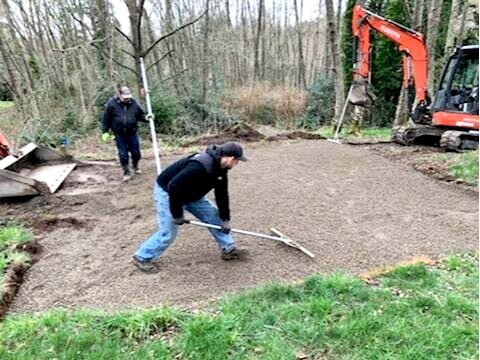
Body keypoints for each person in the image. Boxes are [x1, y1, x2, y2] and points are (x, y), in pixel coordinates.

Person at [133, 141, 248, 273]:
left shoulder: (222, 169)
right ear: (231, 158)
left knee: (214, 216)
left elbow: (222, 194)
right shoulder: (200, 165)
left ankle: (228, 248)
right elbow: (174, 186)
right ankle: (142, 256)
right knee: (168, 232)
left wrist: (225, 219)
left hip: (193, 194)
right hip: (169, 193)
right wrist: (177, 214)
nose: (236, 164)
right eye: (237, 161)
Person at [102, 86, 146, 182]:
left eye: (128, 96)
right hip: (119, 134)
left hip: (132, 133)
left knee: (136, 153)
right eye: (125, 97)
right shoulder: (111, 104)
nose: (127, 99)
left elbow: (140, 116)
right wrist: (105, 132)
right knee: (123, 154)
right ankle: (126, 172)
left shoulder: (134, 103)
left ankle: (135, 166)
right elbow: (106, 118)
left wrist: (147, 117)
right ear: (120, 95)